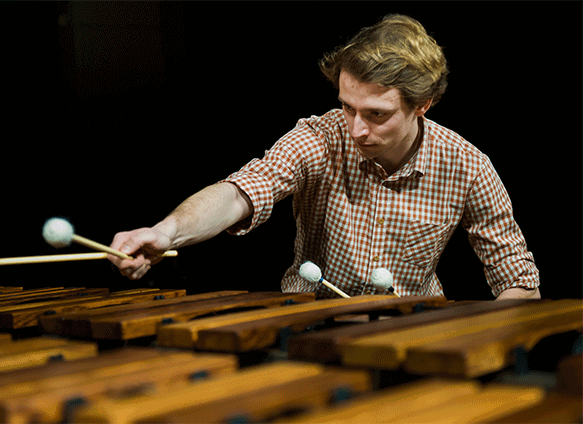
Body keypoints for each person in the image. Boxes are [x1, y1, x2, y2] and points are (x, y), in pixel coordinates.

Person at [108, 14, 540, 300]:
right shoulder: (320, 137)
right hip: (309, 324)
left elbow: (516, 278)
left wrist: (494, 339)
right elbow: (243, 191)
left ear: (422, 104)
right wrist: (168, 231)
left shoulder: (467, 165)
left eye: (376, 114)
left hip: (414, 331)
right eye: (348, 106)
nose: (355, 128)